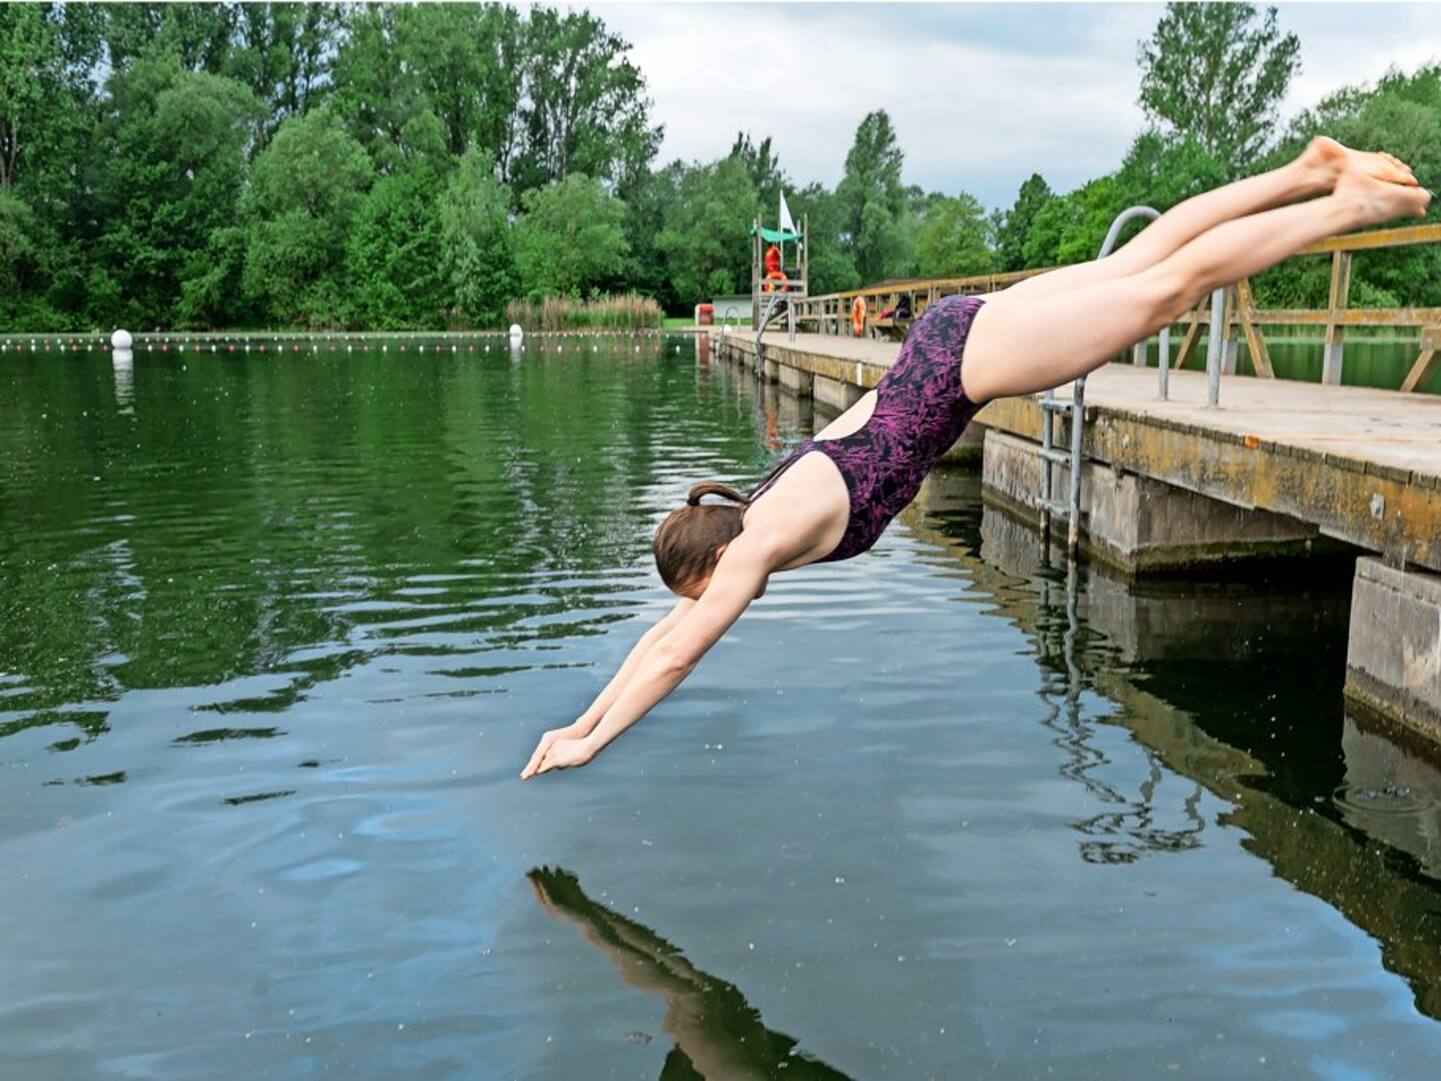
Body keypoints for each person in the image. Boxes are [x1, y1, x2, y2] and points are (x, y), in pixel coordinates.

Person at [521, 137, 1428, 780]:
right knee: (1150, 257)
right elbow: (657, 639)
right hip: (948, 338)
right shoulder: (757, 505)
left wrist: (595, 746)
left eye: (703, 593)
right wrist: (579, 716)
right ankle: (1306, 169)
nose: (709, 607)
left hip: (967, 364)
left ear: (712, 563)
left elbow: (676, 654)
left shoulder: (759, 542)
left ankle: (1344, 202)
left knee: (1166, 286)